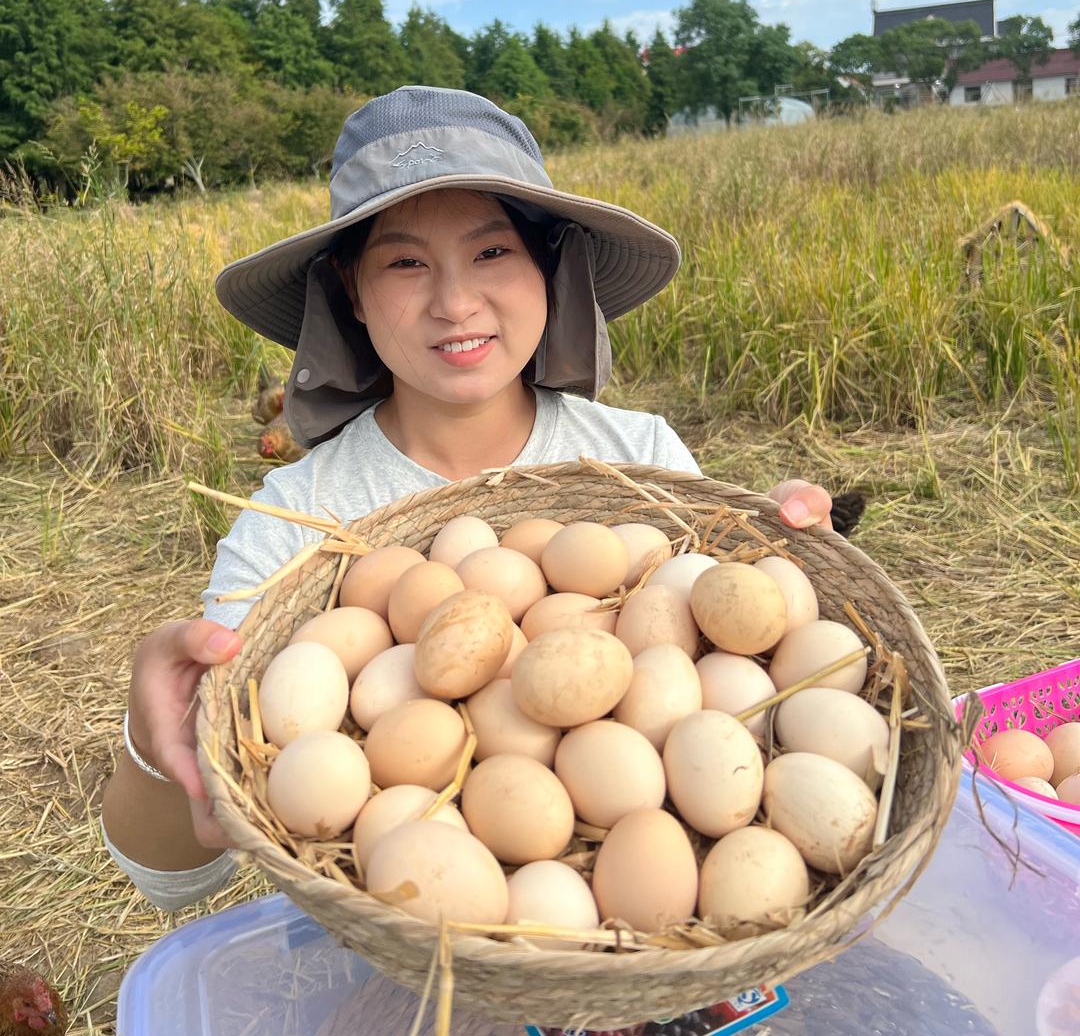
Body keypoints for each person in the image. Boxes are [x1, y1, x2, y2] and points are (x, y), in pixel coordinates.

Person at [100, 86, 834, 911]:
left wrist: (773, 572)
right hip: (396, 956)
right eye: (406, 262)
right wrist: (157, 739)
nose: (455, 302)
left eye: (492, 253)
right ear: (350, 289)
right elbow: (174, 877)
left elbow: (727, 673)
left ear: (548, 266)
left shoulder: (642, 459)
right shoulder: (291, 523)